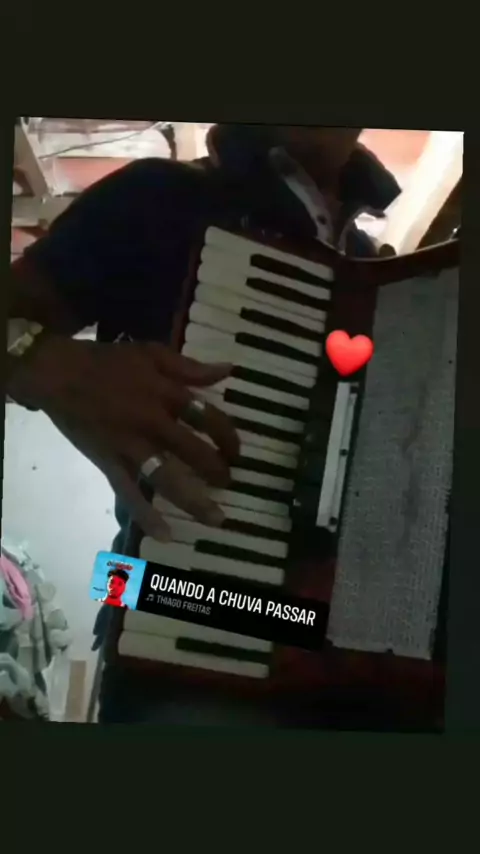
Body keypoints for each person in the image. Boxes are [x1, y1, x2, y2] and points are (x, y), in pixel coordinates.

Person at [7, 124, 402, 725]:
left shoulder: (381, 274)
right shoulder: (158, 196)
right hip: (183, 606)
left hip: (361, 646)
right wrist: (40, 361)